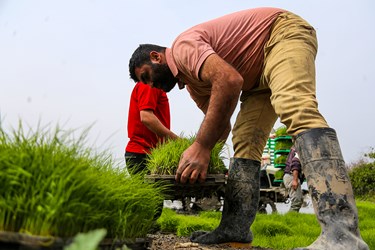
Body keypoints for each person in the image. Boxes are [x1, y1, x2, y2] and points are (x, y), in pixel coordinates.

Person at [128, 7, 368, 249]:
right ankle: (235, 228)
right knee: (244, 138)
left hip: (280, 34)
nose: (151, 85)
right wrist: (207, 160)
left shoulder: (182, 48)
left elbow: (229, 80)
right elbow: (221, 125)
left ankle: (343, 236)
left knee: (294, 106)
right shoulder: (193, 85)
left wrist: (200, 146)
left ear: (156, 57)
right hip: (256, 79)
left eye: (147, 76)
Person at [125, 81, 178, 175]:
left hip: (149, 153)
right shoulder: (149, 84)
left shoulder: (152, 84)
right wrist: (177, 140)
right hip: (143, 154)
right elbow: (146, 117)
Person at [283, 147, 304, 212]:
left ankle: (292, 218)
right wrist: (295, 180)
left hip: (290, 175)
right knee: (296, 201)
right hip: (292, 176)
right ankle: (289, 220)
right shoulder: (300, 147)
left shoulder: (296, 146)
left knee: (298, 200)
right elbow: (295, 162)